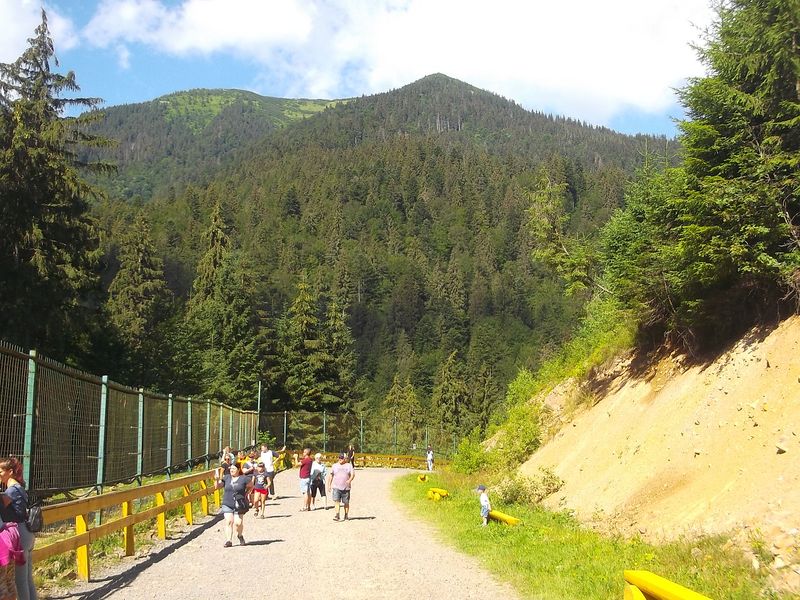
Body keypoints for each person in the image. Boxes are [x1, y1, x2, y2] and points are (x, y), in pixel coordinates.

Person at [0, 456, 36, 599]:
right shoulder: (20, 487)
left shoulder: (11, 491)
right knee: (27, 578)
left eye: (0, 471)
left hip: (19, 534)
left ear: (9, 471)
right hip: (28, 533)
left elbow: (2, 507)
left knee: (20, 581)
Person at [215, 462, 254, 547]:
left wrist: (246, 494)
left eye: (234, 469)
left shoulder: (244, 479)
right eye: (231, 469)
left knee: (238, 523)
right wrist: (216, 479)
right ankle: (229, 540)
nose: (231, 470)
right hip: (227, 502)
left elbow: (251, 486)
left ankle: (240, 535)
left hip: (239, 503)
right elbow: (217, 486)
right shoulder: (227, 478)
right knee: (229, 521)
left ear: (238, 470)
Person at [329, 452, 354, 521]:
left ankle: (346, 515)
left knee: (346, 502)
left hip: (346, 487)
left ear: (345, 459)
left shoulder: (349, 465)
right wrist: (329, 485)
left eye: (342, 458)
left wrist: (350, 480)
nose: (340, 459)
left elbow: (352, 474)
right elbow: (331, 475)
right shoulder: (334, 465)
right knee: (336, 501)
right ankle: (337, 515)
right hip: (336, 486)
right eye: (339, 457)